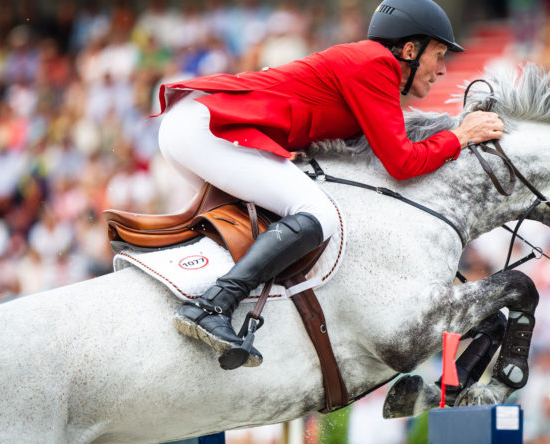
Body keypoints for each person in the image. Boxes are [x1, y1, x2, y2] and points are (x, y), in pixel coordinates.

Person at [154, 0, 505, 369]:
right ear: (410, 50)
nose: (442, 70)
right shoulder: (377, 63)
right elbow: (402, 163)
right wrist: (462, 136)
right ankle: (211, 305)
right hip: (209, 128)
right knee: (318, 214)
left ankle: (215, 298)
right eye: (439, 56)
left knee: (271, 224)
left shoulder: (368, 65)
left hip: (196, 125)